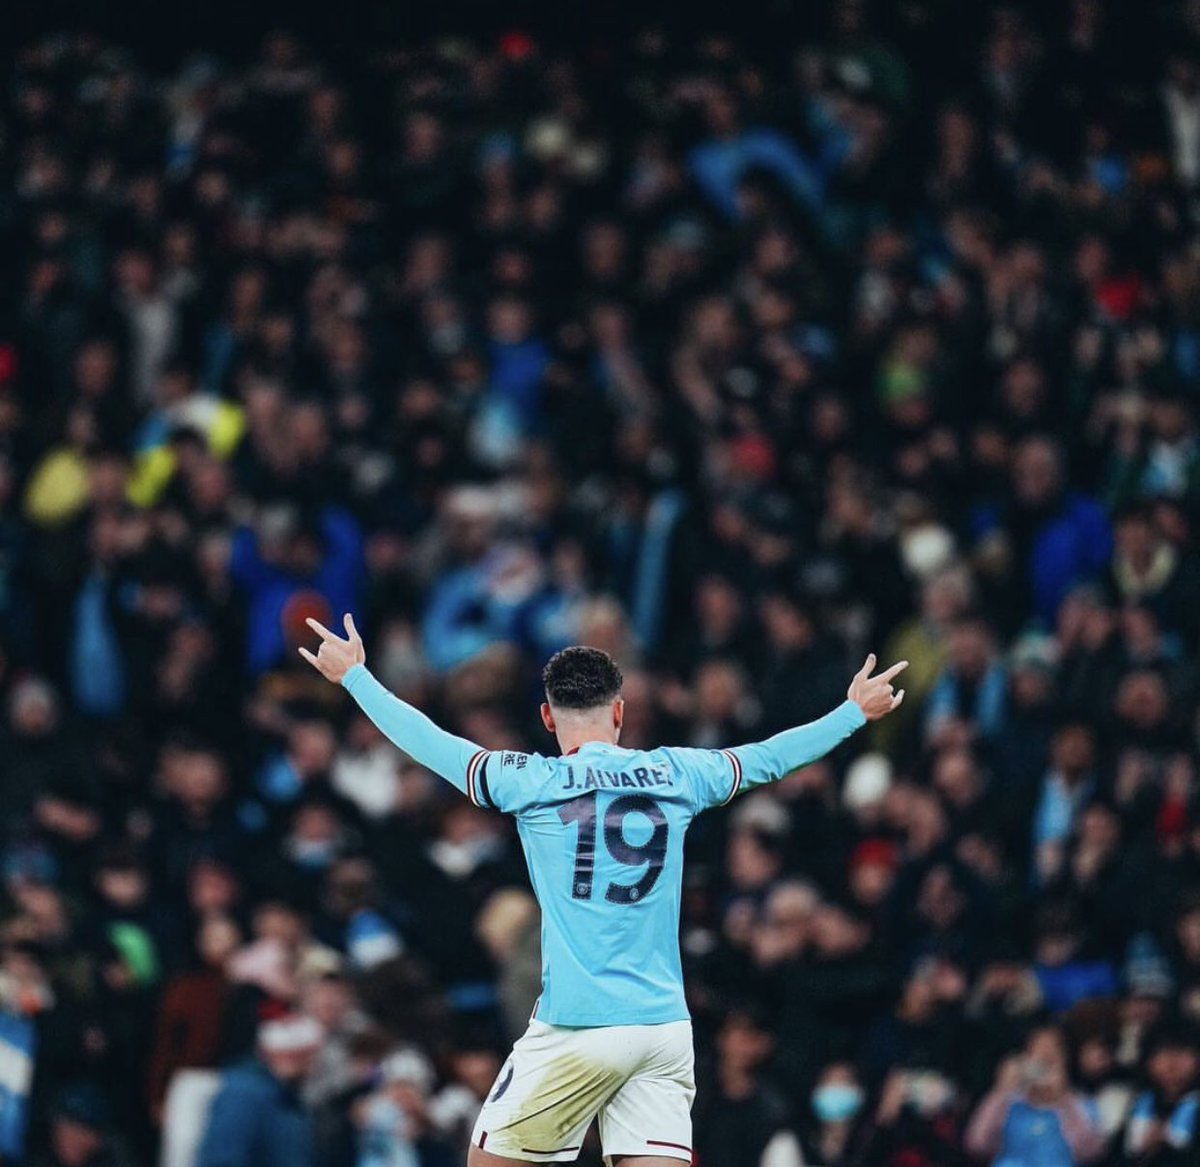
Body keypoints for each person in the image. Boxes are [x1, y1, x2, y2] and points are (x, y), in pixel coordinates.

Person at [301, 614, 907, 1167]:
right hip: (663, 1029)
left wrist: (357, 679)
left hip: (577, 1027)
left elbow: (432, 744)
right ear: (619, 713)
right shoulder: (678, 773)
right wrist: (852, 712)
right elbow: (768, 758)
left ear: (546, 718)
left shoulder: (531, 781)